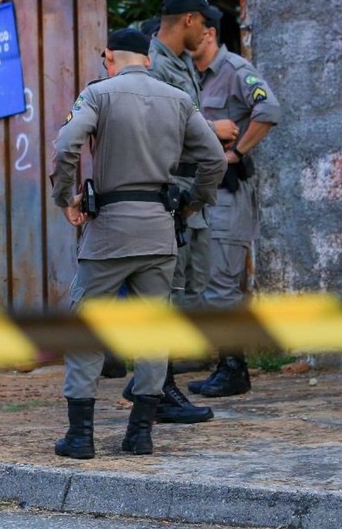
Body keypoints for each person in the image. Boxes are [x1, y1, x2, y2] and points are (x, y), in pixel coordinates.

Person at [50, 28, 226, 458]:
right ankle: (140, 434)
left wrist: (64, 197)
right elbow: (215, 160)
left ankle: (80, 437)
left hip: (109, 231)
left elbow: (66, 144)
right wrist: (192, 204)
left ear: (109, 57)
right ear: (147, 59)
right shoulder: (178, 98)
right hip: (159, 230)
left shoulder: (98, 94)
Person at [120, 0, 237, 425]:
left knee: (187, 291)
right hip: (167, 196)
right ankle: (158, 388)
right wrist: (212, 130)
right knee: (163, 295)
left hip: (190, 198)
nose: (208, 29)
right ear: (187, 20)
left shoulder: (182, 62)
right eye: (203, 21)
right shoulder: (150, 64)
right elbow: (157, 127)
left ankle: (148, 380)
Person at [188, 7, 281, 397]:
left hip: (229, 191)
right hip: (206, 195)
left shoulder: (236, 70)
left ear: (209, 33)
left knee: (222, 285)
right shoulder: (190, 76)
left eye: (190, 24)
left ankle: (234, 368)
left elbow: (269, 110)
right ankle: (221, 360)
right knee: (207, 282)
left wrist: (237, 152)